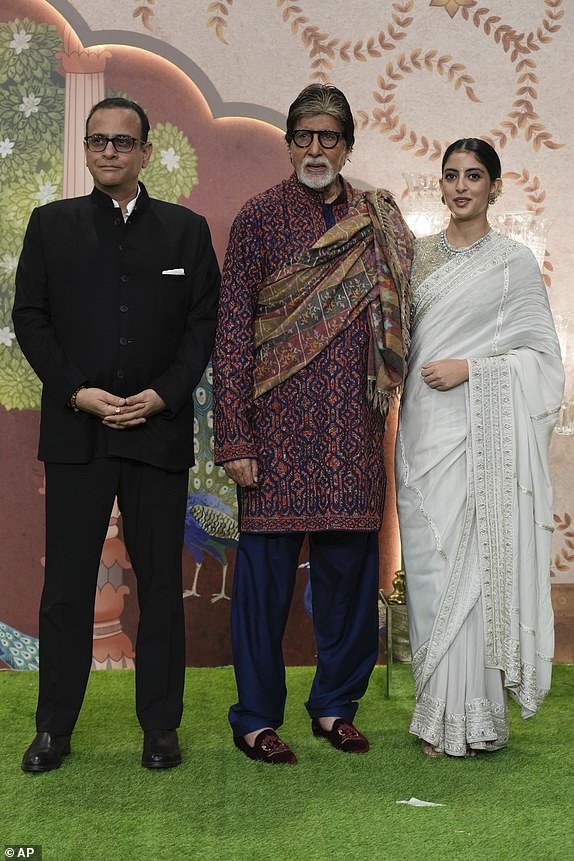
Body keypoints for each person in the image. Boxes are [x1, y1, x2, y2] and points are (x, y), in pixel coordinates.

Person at [13, 97, 220, 772]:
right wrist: (76, 390)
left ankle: (160, 727)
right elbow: (30, 318)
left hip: (156, 436)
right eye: (98, 140)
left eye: (123, 142)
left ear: (145, 152)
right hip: (77, 432)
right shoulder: (51, 226)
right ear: (85, 148)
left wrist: (162, 395)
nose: (109, 151)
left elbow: (201, 328)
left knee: (161, 587)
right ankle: (54, 729)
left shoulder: (186, 233)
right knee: (66, 587)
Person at [212, 84, 413, 764]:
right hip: (272, 432)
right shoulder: (260, 218)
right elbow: (233, 332)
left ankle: (335, 706)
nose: (316, 148)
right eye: (305, 136)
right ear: (289, 142)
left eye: (330, 137)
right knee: (263, 588)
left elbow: (405, 312)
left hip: (352, 431)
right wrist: (233, 436)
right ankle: (255, 718)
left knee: (349, 583)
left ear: (348, 144)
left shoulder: (377, 219)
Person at [396, 138, 564, 757]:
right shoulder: (414, 259)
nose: (461, 186)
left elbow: (545, 362)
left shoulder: (514, 264)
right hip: (422, 433)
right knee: (433, 569)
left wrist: (472, 368)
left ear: (495, 186)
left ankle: (475, 716)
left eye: (473, 176)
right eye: (450, 176)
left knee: (479, 568)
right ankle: (435, 713)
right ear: (438, 186)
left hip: (479, 433)